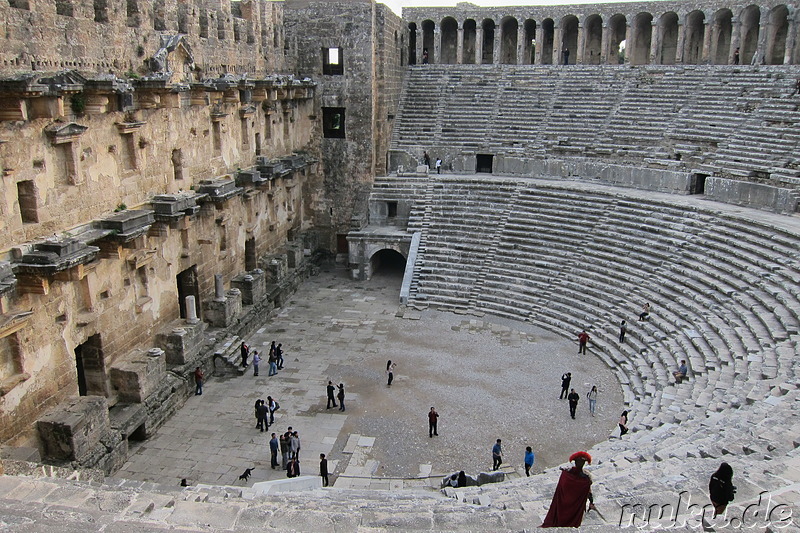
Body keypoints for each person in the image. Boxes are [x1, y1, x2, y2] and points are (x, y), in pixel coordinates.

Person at [541, 451, 595, 527]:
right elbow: (561, 488)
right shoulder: (567, 474)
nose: (580, 463)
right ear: (575, 462)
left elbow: (587, 490)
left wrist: (591, 501)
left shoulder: (585, 477)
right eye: (578, 461)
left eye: (582, 462)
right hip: (564, 502)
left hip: (575, 503)